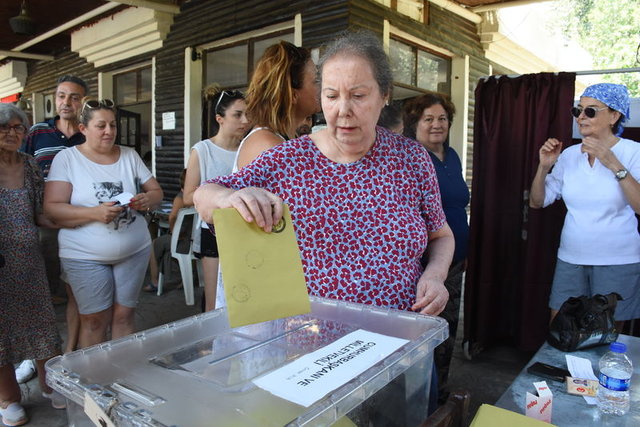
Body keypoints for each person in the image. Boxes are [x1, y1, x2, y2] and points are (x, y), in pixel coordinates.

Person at [194, 31, 453, 315]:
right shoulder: (288, 159)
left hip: (400, 337)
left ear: (384, 95)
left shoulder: (412, 159)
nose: (343, 110)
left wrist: (434, 276)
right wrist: (228, 198)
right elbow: (204, 195)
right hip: (314, 346)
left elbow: (440, 235)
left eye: (358, 95)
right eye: (331, 96)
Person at [44, 98, 163, 348]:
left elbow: (156, 192)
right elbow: (52, 208)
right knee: (95, 320)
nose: (109, 131)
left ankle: (120, 376)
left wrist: (146, 199)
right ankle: (93, 382)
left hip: (134, 250)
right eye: (101, 126)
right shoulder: (67, 159)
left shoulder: (129, 155)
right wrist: (94, 214)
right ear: (83, 129)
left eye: (113, 125)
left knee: (124, 315)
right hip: (84, 254)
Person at [529, 83, 640, 325]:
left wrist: (612, 163)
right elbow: (537, 202)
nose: (581, 117)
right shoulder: (569, 155)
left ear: (614, 115)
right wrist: (544, 166)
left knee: (607, 333)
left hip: (617, 260)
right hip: (571, 257)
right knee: (561, 327)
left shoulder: (634, 152)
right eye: (578, 110)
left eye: (590, 111)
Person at [0, 104, 65, 427]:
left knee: (42, 326)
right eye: (4, 128)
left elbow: (41, 213)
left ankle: (50, 385)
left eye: (17, 128)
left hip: (29, 260)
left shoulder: (29, 165)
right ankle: (8, 400)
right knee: (2, 333)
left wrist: (76, 219)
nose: (12, 133)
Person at [402, 92, 470, 400]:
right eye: (428, 119)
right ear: (414, 124)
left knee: (449, 326)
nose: (436, 125)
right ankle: (420, 395)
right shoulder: (408, 159)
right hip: (425, 265)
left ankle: (440, 389)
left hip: (454, 260)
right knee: (426, 329)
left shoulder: (452, 156)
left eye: (442, 118)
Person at [20, 75, 87, 362]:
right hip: (45, 224)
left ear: (83, 101)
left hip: (82, 223)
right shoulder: (37, 133)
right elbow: (21, 173)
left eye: (73, 97)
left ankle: (73, 349)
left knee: (77, 291)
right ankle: (34, 356)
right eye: (61, 96)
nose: (66, 102)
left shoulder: (90, 133)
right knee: (40, 293)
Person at [183, 86, 249, 311]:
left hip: (246, 230)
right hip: (213, 229)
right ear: (219, 118)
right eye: (238, 115)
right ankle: (210, 345)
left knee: (241, 296)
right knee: (214, 301)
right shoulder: (203, 150)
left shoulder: (249, 149)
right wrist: (218, 196)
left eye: (247, 114)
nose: (245, 120)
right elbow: (187, 196)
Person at [235, 40, 320, 170]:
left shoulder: (280, 139)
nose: (323, 87)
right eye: (316, 81)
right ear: (293, 95)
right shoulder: (269, 146)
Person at [145, 169, 187, 292]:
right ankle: (189, 276)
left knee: (153, 244)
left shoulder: (180, 198)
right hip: (195, 241)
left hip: (183, 240)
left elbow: (172, 217)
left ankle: (154, 281)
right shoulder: (199, 195)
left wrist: (174, 233)